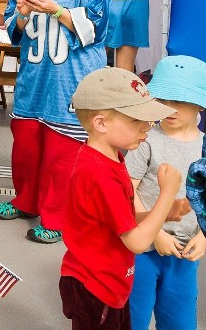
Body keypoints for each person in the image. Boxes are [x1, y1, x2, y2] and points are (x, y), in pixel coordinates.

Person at [0, 0, 108, 244]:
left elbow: (98, 29)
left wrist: (57, 10)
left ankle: (57, 217)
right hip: (34, 77)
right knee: (26, 146)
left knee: (63, 153)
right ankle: (25, 201)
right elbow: (13, 28)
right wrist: (25, 13)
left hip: (71, 80)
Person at [61, 67, 181, 330]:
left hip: (109, 281)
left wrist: (161, 212)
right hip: (95, 286)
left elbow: (120, 220)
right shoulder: (101, 174)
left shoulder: (111, 159)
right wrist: (167, 194)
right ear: (101, 123)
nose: (147, 128)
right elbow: (137, 242)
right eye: (137, 121)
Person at [125, 55, 206, 330]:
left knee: (180, 321)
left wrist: (205, 236)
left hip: (184, 252)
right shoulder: (146, 138)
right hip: (142, 250)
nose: (169, 109)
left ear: (200, 104)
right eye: (163, 99)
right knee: (133, 318)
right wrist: (155, 232)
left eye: (179, 101)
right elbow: (127, 188)